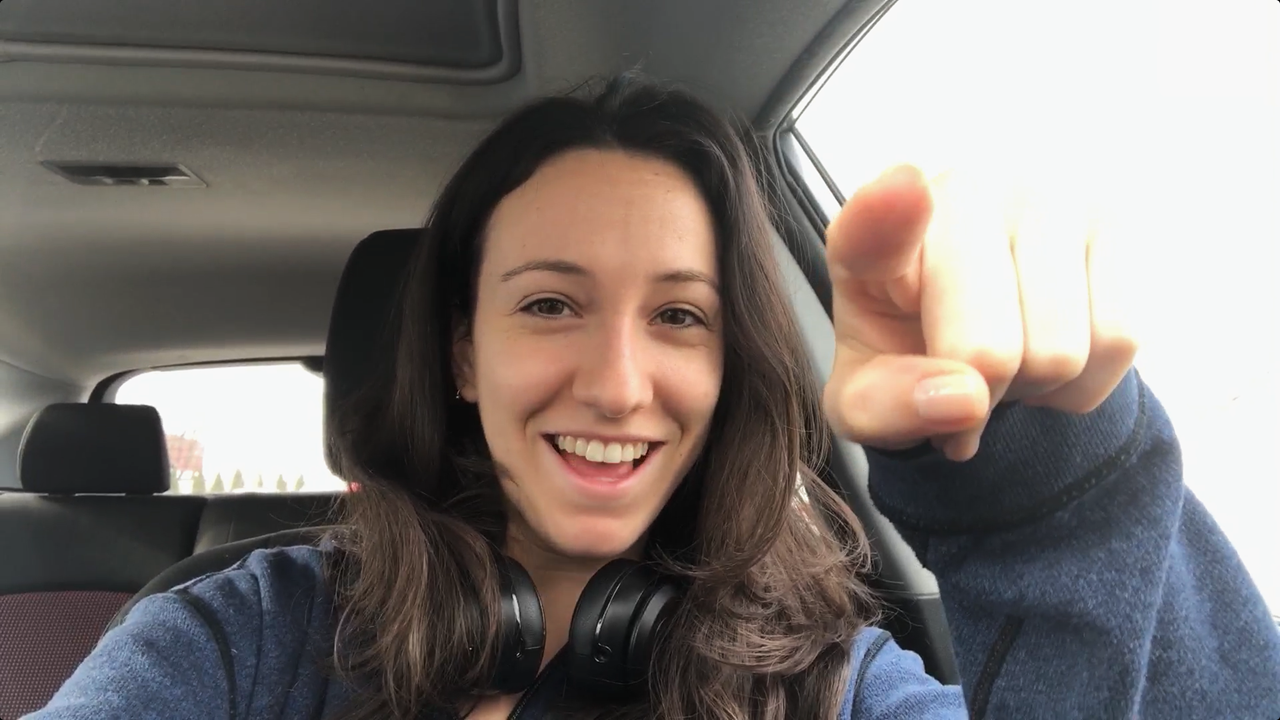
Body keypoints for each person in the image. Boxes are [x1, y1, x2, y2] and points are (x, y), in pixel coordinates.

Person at [26, 75, 1280, 720]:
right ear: (462, 354)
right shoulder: (243, 636)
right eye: (549, 304)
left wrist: (1041, 501)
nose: (620, 384)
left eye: (680, 316)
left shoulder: (832, 684)